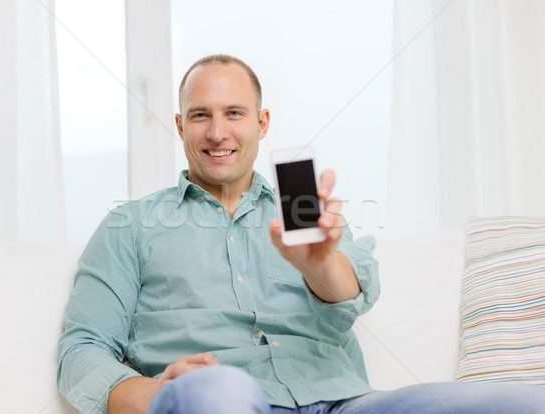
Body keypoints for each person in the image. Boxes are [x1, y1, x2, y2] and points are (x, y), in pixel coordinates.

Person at [57, 55, 545, 414]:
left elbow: (351, 292)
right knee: (219, 393)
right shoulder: (130, 226)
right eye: (201, 115)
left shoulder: (302, 209)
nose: (217, 132)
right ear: (181, 126)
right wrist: (155, 393)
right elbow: (82, 350)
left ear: (262, 123)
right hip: (218, 400)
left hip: (343, 402)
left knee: (517, 403)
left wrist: (318, 265)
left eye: (235, 113)